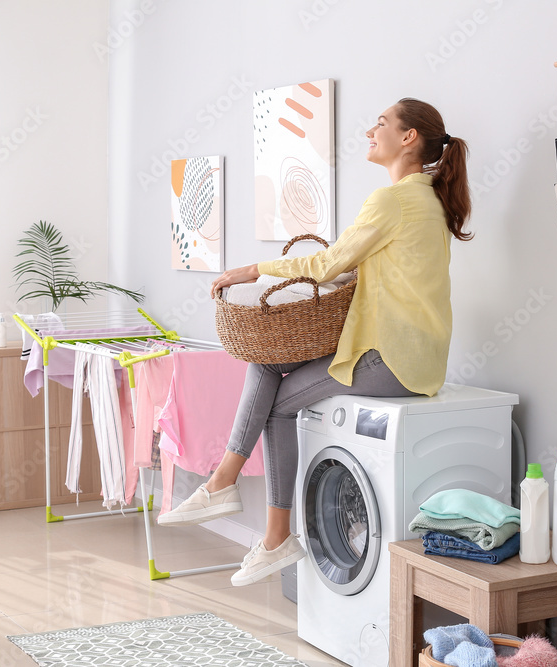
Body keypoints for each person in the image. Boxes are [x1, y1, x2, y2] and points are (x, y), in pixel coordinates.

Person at [158, 98, 473, 586]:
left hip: (390, 359)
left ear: (409, 138)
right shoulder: (427, 199)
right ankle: (254, 517)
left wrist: (252, 269)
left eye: (382, 123)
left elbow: (328, 265)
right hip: (414, 357)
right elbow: (355, 266)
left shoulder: (394, 200)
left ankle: (240, 500)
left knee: (275, 402)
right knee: (266, 363)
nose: (372, 130)